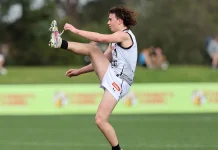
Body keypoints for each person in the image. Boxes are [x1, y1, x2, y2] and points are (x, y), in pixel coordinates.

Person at [49, 6, 137, 150]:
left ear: (120, 21)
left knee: (93, 48)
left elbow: (99, 38)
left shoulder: (125, 35)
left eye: (110, 19)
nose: (108, 22)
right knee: (100, 120)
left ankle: (59, 42)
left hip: (120, 81)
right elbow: (100, 61)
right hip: (114, 77)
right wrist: (79, 71)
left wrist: (76, 30)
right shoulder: (115, 41)